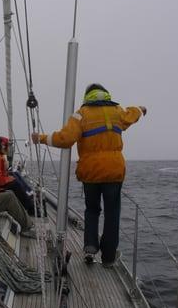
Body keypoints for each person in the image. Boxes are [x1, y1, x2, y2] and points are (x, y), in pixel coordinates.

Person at [32, 83, 147, 267]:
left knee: (92, 209)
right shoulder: (117, 111)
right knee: (112, 214)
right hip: (114, 172)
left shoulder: (81, 114)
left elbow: (66, 139)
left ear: (87, 96)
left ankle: (90, 246)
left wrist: (42, 138)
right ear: (106, 95)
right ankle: (109, 258)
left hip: (91, 172)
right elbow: (131, 114)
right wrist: (141, 109)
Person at [0, 136, 35, 214]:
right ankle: (30, 207)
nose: (3, 146)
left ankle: (29, 195)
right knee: (15, 183)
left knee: (15, 174)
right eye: (2, 145)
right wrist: (8, 179)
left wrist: (7, 175)